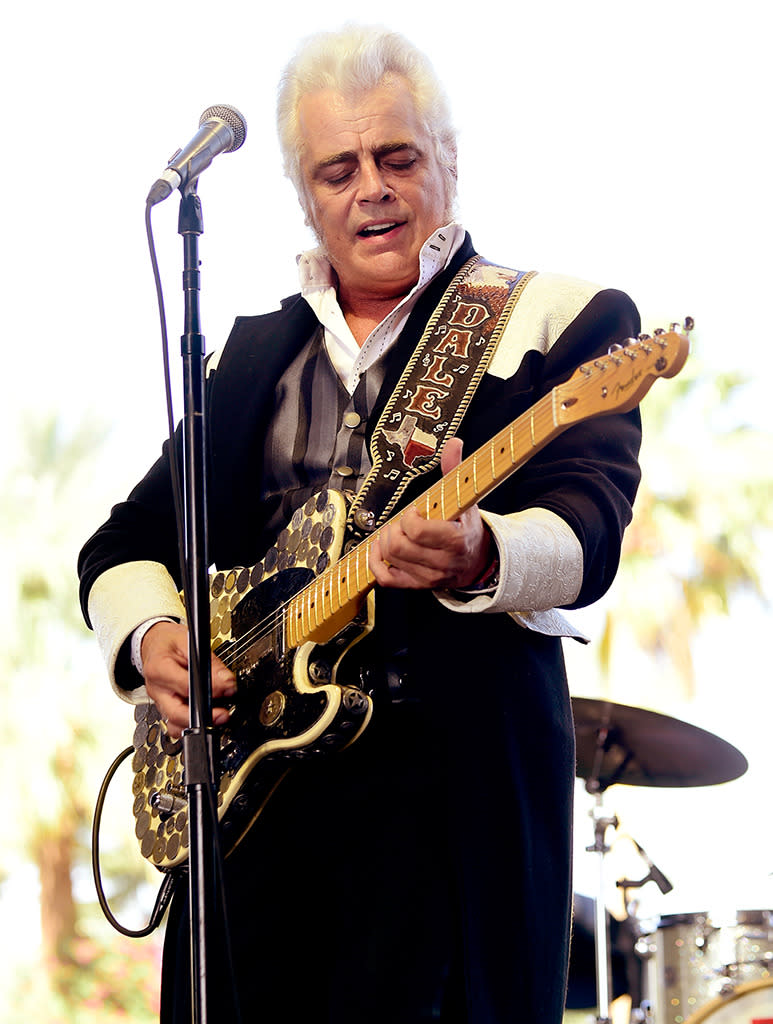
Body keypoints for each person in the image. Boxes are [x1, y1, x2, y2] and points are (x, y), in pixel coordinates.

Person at [78, 25, 642, 1024]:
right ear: (305, 194)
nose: (369, 188)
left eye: (396, 157)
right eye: (336, 169)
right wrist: (158, 638)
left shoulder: (553, 318)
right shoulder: (250, 358)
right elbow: (124, 545)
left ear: (448, 161)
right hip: (252, 848)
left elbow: (587, 529)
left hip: (448, 830)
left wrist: (482, 550)